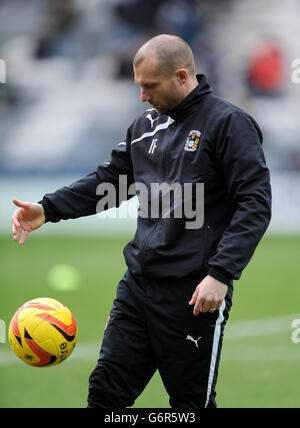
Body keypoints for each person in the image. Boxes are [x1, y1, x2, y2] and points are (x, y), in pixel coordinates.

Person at [11, 34, 272, 408]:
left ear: (181, 75)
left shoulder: (229, 124)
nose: (143, 96)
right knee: (104, 396)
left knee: (190, 404)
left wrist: (220, 274)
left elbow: (256, 203)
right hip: (137, 288)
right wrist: (48, 209)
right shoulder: (144, 126)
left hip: (194, 295)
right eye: (139, 86)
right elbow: (109, 182)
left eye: (150, 86)